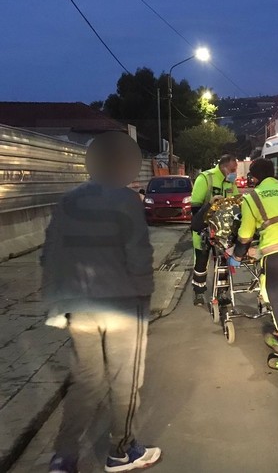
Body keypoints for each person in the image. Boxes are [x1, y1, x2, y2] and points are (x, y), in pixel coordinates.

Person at [42, 131, 160, 473]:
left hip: (79, 305)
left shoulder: (69, 201)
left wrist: (57, 303)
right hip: (121, 305)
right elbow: (139, 257)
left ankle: (63, 459)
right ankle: (121, 452)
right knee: (125, 379)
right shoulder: (125, 201)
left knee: (86, 379)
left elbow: (51, 254)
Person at [229, 158, 278, 373]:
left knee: (277, 302)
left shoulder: (252, 197)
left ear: (254, 178)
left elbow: (245, 235)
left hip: (277, 254)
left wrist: (237, 255)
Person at [190, 154, 239, 307]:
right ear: (223, 167)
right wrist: (210, 205)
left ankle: (222, 292)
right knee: (201, 262)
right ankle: (199, 292)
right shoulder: (205, 178)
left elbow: (237, 203)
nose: (234, 172)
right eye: (232, 169)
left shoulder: (230, 182)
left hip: (224, 233)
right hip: (204, 231)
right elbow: (194, 208)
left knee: (223, 263)